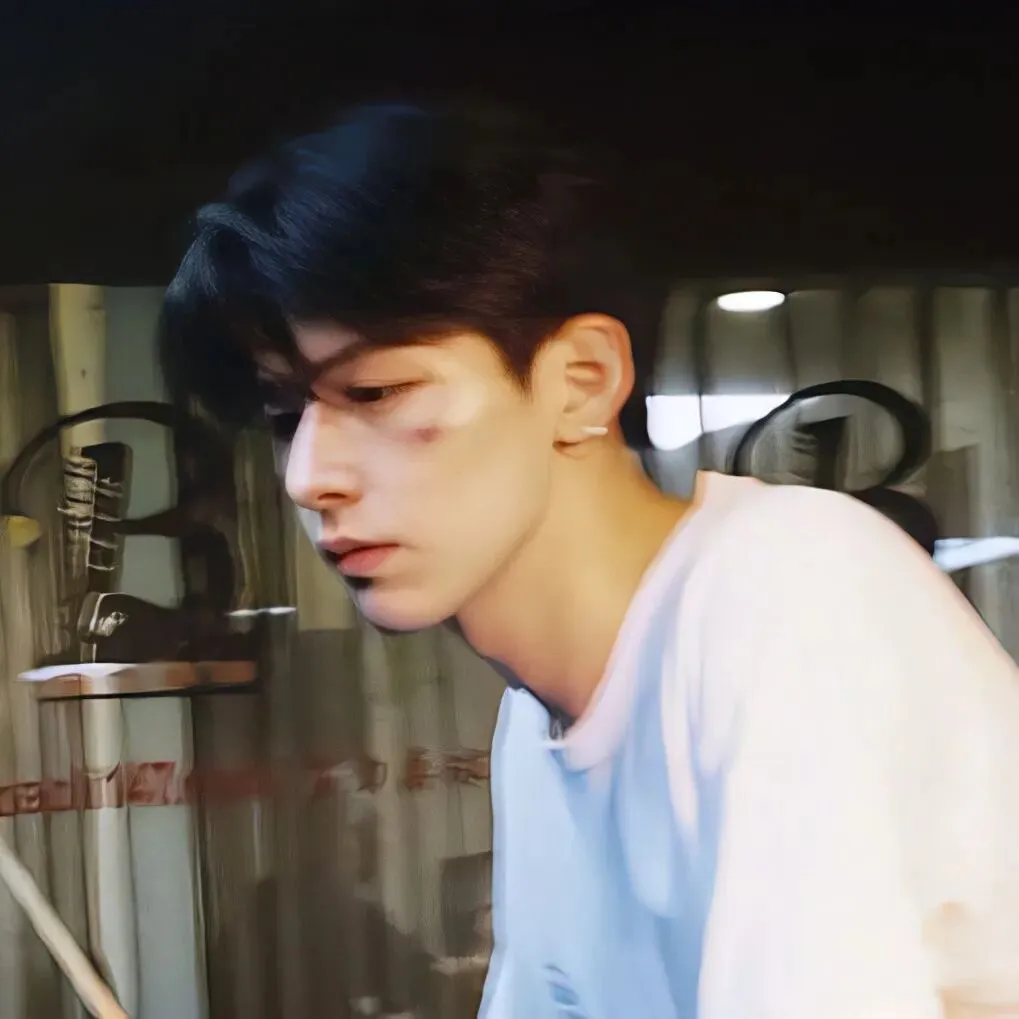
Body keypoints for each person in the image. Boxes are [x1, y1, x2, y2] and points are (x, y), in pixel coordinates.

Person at [159, 102, 1019, 1018]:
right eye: (285, 417)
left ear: (581, 381)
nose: (308, 476)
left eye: (375, 391)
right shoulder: (540, 720)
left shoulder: (781, 592)